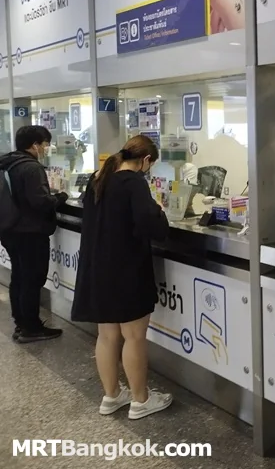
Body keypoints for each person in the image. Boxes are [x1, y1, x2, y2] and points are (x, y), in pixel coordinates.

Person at [71, 135, 173, 419]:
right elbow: (149, 223)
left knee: (106, 335)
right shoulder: (133, 182)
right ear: (146, 160)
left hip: (98, 267)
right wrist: (160, 214)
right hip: (126, 269)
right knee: (134, 336)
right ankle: (141, 400)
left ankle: (112, 395)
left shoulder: (98, 178)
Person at [0, 125, 68, 343]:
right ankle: (31, 327)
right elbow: (41, 202)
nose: (46, 149)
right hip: (30, 231)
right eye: (45, 144)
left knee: (19, 276)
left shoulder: (8, 163)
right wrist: (60, 197)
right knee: (32, 278)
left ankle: (21, 322)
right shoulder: (31, 167)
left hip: (9, 228)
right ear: (35, 145)